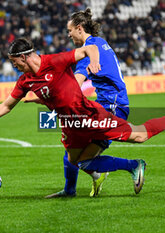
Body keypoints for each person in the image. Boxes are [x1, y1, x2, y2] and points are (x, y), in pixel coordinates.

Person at [0, 38, 165, 197]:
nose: (15, 67)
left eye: (15, 62)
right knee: (79, 162)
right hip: (71, 124)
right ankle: (123, 169)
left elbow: (89, 48)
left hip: (91, 116)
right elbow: (5, 106)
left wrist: (95, 62)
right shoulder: (25, 81)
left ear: (24, 56)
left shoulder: (54, 61)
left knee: (139, 135)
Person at [45, 9, 130, 198]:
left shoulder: (88, 49)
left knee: (81, 156)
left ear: (79, 28)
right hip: (108, 102)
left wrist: (50, 95)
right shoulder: (100, 42)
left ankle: (132, 166)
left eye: (70, 31)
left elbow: (75, 84)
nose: (68, 35)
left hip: (112, 106)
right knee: (72, 146)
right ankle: (73, 188)